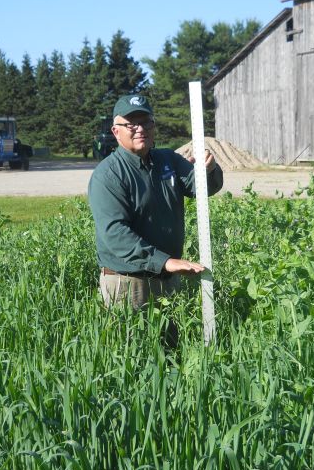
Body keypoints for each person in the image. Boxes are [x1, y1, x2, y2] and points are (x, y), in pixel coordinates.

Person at [87, 94, 223, 315]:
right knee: (132, 347)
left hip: (167, 278)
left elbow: (200, 188)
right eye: (131, 124)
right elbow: (115, 233)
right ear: (116, 131)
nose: (140, 128)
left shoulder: (168, 160)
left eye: (145, 122)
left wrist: (208, 170)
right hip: (128, 283)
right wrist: (164, 261)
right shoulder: (108, 174)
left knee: (171, 346)